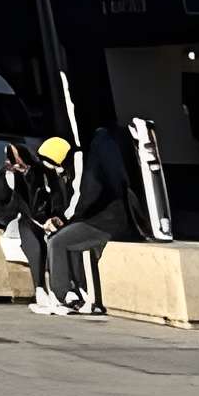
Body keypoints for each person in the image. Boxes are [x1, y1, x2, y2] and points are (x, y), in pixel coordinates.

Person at [43, 126, 135, 314]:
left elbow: (85, 196)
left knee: (57, 241)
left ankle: (64, 294)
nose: (56, 171)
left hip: (104, 222)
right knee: (67, 238)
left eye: (54, 165)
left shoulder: (82, 162)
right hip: (101, 219)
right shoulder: (78, 164)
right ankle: (78, 289)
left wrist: (64, 219)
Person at [0, 140, 64, 312]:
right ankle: (40, 287)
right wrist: (12, 213)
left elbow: (55, 198)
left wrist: (54, 217)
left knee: (46, 236)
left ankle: (61, 290)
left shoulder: (42, 172)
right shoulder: (6, 177)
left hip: (43, 218)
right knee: (28, 231)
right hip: (22, 219)